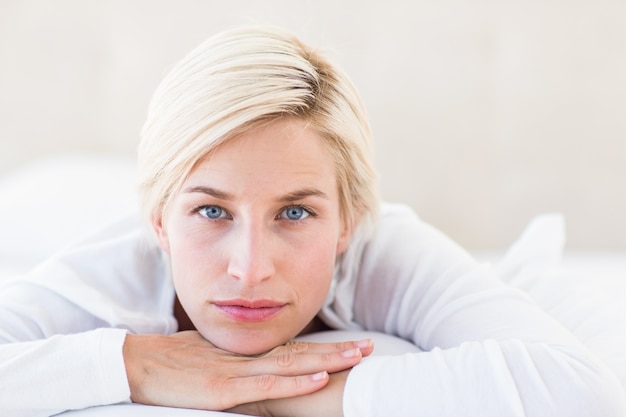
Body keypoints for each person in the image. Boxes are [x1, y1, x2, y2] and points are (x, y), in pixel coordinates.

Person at [0, 25, 624, 417]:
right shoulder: (106, 275)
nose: (250, 268)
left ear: (348, 220)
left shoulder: (383, 252)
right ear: (160, 221)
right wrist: (137, 366)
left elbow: (576, 390)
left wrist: (265, 390)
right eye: (211, 210)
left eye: (295, 212)